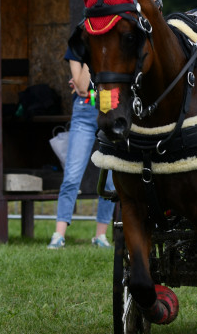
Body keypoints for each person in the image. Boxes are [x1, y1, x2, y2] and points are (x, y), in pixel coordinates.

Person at [47, 48, 116, 249]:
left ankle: (100, 236)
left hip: (109, 103)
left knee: (110, 178)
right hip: (85, 108)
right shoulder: (78, 48)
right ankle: (59, 235)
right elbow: (84, 87)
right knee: (72, 175)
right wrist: (92, 56)